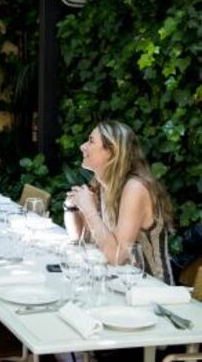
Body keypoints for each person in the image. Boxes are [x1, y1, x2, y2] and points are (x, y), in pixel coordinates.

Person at [64, 120, 174, 283]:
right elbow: (81, 242)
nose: (82, 146)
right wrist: (72, 207)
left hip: (151, 292)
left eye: (91, 141)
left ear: (112, 151)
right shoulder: (101, 183)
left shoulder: (135, 188)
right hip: (117, 284)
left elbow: (116, 257)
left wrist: (89, 210)